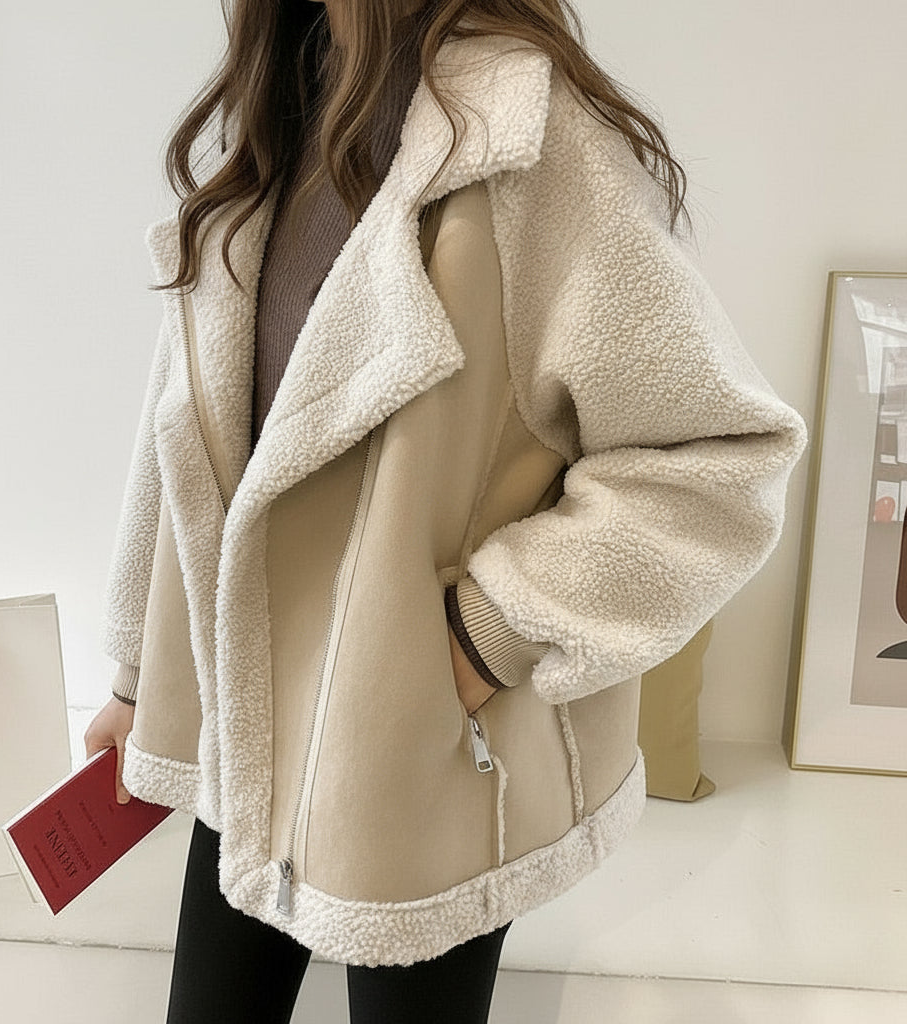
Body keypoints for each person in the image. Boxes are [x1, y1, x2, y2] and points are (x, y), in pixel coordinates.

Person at [84, 1, 808, 1021]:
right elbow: (193, 430)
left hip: (417, 758)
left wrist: (481, 638)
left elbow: (719, 457)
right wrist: (136, 675)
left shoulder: (530, 139)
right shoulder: (283, 98)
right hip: (246, 735)